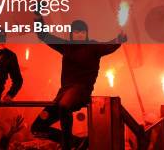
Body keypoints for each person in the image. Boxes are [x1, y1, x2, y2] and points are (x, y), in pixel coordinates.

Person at [30, 14, 127, 150]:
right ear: (71, 34)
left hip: (81, 90)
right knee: (37, 128)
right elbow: (43, 35)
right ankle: (75, 142)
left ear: (86, 34)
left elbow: (109, 46)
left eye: (82, 32)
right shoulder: (66, 46)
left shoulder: (93, 47)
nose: (79, 35)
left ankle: (67, 146)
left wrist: (119, 39)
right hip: (63, 93)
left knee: (64, 106)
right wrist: (38, 15)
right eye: (76, 32)